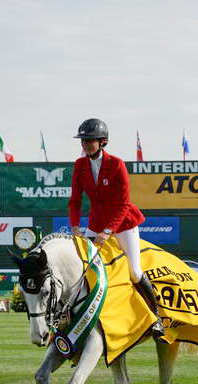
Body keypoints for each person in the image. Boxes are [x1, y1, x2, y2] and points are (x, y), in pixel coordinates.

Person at [69, 118, 164, 337]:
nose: (85, 145)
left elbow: (123, 204)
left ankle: (156, 317)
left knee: (134, 271)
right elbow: (75, 200)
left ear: (102, 142)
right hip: (96, 224)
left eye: (90, 140)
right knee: (83, 269)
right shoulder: (79, 165)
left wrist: (108, 231)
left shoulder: (117, 164)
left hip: (123, 223)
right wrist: (75, 226)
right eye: (83, 140)